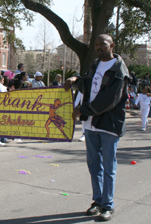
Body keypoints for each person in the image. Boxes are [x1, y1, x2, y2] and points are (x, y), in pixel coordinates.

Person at [64, 34, 129, 221]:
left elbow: (109, 100)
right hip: (91, 124)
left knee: (109, 166)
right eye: (97, 44)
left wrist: (82, 109)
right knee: (94, 164)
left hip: (109, 124)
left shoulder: (119, 70)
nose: (99, 47)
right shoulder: (95, 64)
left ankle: (108, 205)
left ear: (112, 45)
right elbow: (88, 85)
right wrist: (76, 78)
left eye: (103, 44)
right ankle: (98, 201)